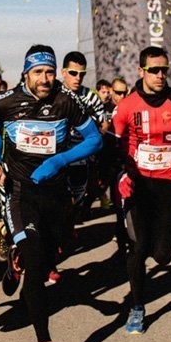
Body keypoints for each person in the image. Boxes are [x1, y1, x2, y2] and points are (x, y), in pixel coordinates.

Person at [0, 45, 102, 342]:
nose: (45, 78)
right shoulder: (5, 102)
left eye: (50, 71)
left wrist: (60, 160)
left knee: (55, 251)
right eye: (38, 72)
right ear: (26, 73)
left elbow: (95, 139)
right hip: (20, 192)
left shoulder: (67, 101)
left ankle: (16, 260)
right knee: (37, 263)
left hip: (56, 193)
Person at [112, 46, 171, 334]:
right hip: (137, 184)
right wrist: (120, 174)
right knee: (138, 248)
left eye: (165, 70)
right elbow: (111, 147)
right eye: (154, 70)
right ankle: (137, 307)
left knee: (163, 255)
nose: (160, 75)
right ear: (141, 71)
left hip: (166, 184)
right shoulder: (126, 106)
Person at [59, 52, 109, 265]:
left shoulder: (91, 96)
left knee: (74, 204)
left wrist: (94, 140)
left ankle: (66, 229)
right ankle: (55, 248)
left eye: (81, 74)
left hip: (80, 158)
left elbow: (104, 123)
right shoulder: (53, 93)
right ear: (63, 73)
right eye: (73, 73)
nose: (77, 78)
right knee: (58, 203)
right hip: (57, 158)